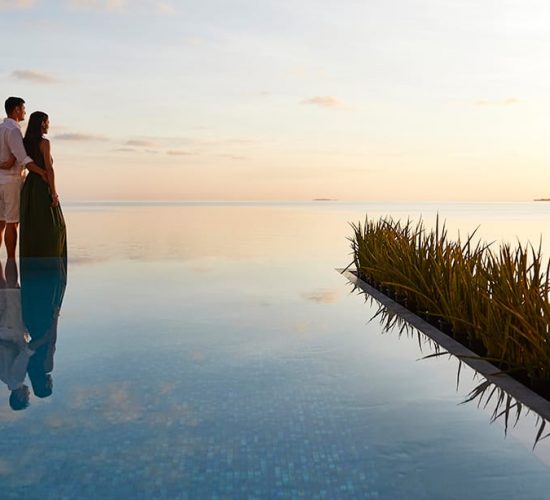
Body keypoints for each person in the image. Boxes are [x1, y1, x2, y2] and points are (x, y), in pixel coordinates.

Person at [0, 97, 47, 258]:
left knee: (0, 222)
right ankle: (11, 260)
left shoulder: (0, 128)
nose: (25, 111)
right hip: (11, 182)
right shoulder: (13, 130)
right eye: (23, 108)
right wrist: (42, 172)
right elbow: (24, 159)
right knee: (12, 222)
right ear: (16, 110)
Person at [20, 111, 67, 258]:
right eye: (47, 121)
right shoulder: (44, 143)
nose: (48, 125)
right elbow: (49, 169)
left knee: (33, 226)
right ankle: (50, 262)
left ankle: (33, 264)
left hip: (29, 187)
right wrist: (53, 193)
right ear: (42, 123)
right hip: (42, 185)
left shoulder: (25, 142)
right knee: (56, 227)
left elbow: (27, 164)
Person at [0, 259, 33, 411]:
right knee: (1, 285)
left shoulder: (17, 379)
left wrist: (38, 344)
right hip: (2, 328)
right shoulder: (4, 378)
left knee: (11, 287)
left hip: (12, 328)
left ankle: (10, 243)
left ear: (19, 396)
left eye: (27, 396)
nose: (28, 393)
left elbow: (23, 355)